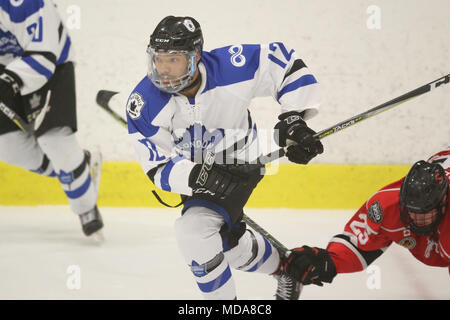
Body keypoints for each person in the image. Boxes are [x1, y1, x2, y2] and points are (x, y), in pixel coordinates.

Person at [126, 15, 323, 300]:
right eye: (158, 59)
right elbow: (158, 167)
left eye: (173, 59)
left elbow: (284, 63)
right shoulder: (145, 102)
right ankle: (285, 267)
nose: (163, 69)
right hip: (193, 173)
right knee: (225, 244)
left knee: (194, 233)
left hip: (241, 162)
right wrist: (196, 177)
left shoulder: (232, 66)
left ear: (195, 57)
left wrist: (294, 118)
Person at [0, 0, 103, 238]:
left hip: (51, 65)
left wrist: (8, 83)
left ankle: (85, 206)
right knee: (9, 148)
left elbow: (43, 56)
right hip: (5, 70)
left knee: (54, 141)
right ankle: (80, 166)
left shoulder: (25, 3)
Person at [283, 148, 450, 288]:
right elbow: (360, 245)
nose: (416, 220)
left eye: (425, 214)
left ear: (443, 202)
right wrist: (328, 260)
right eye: (411, 212)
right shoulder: (386, 205)